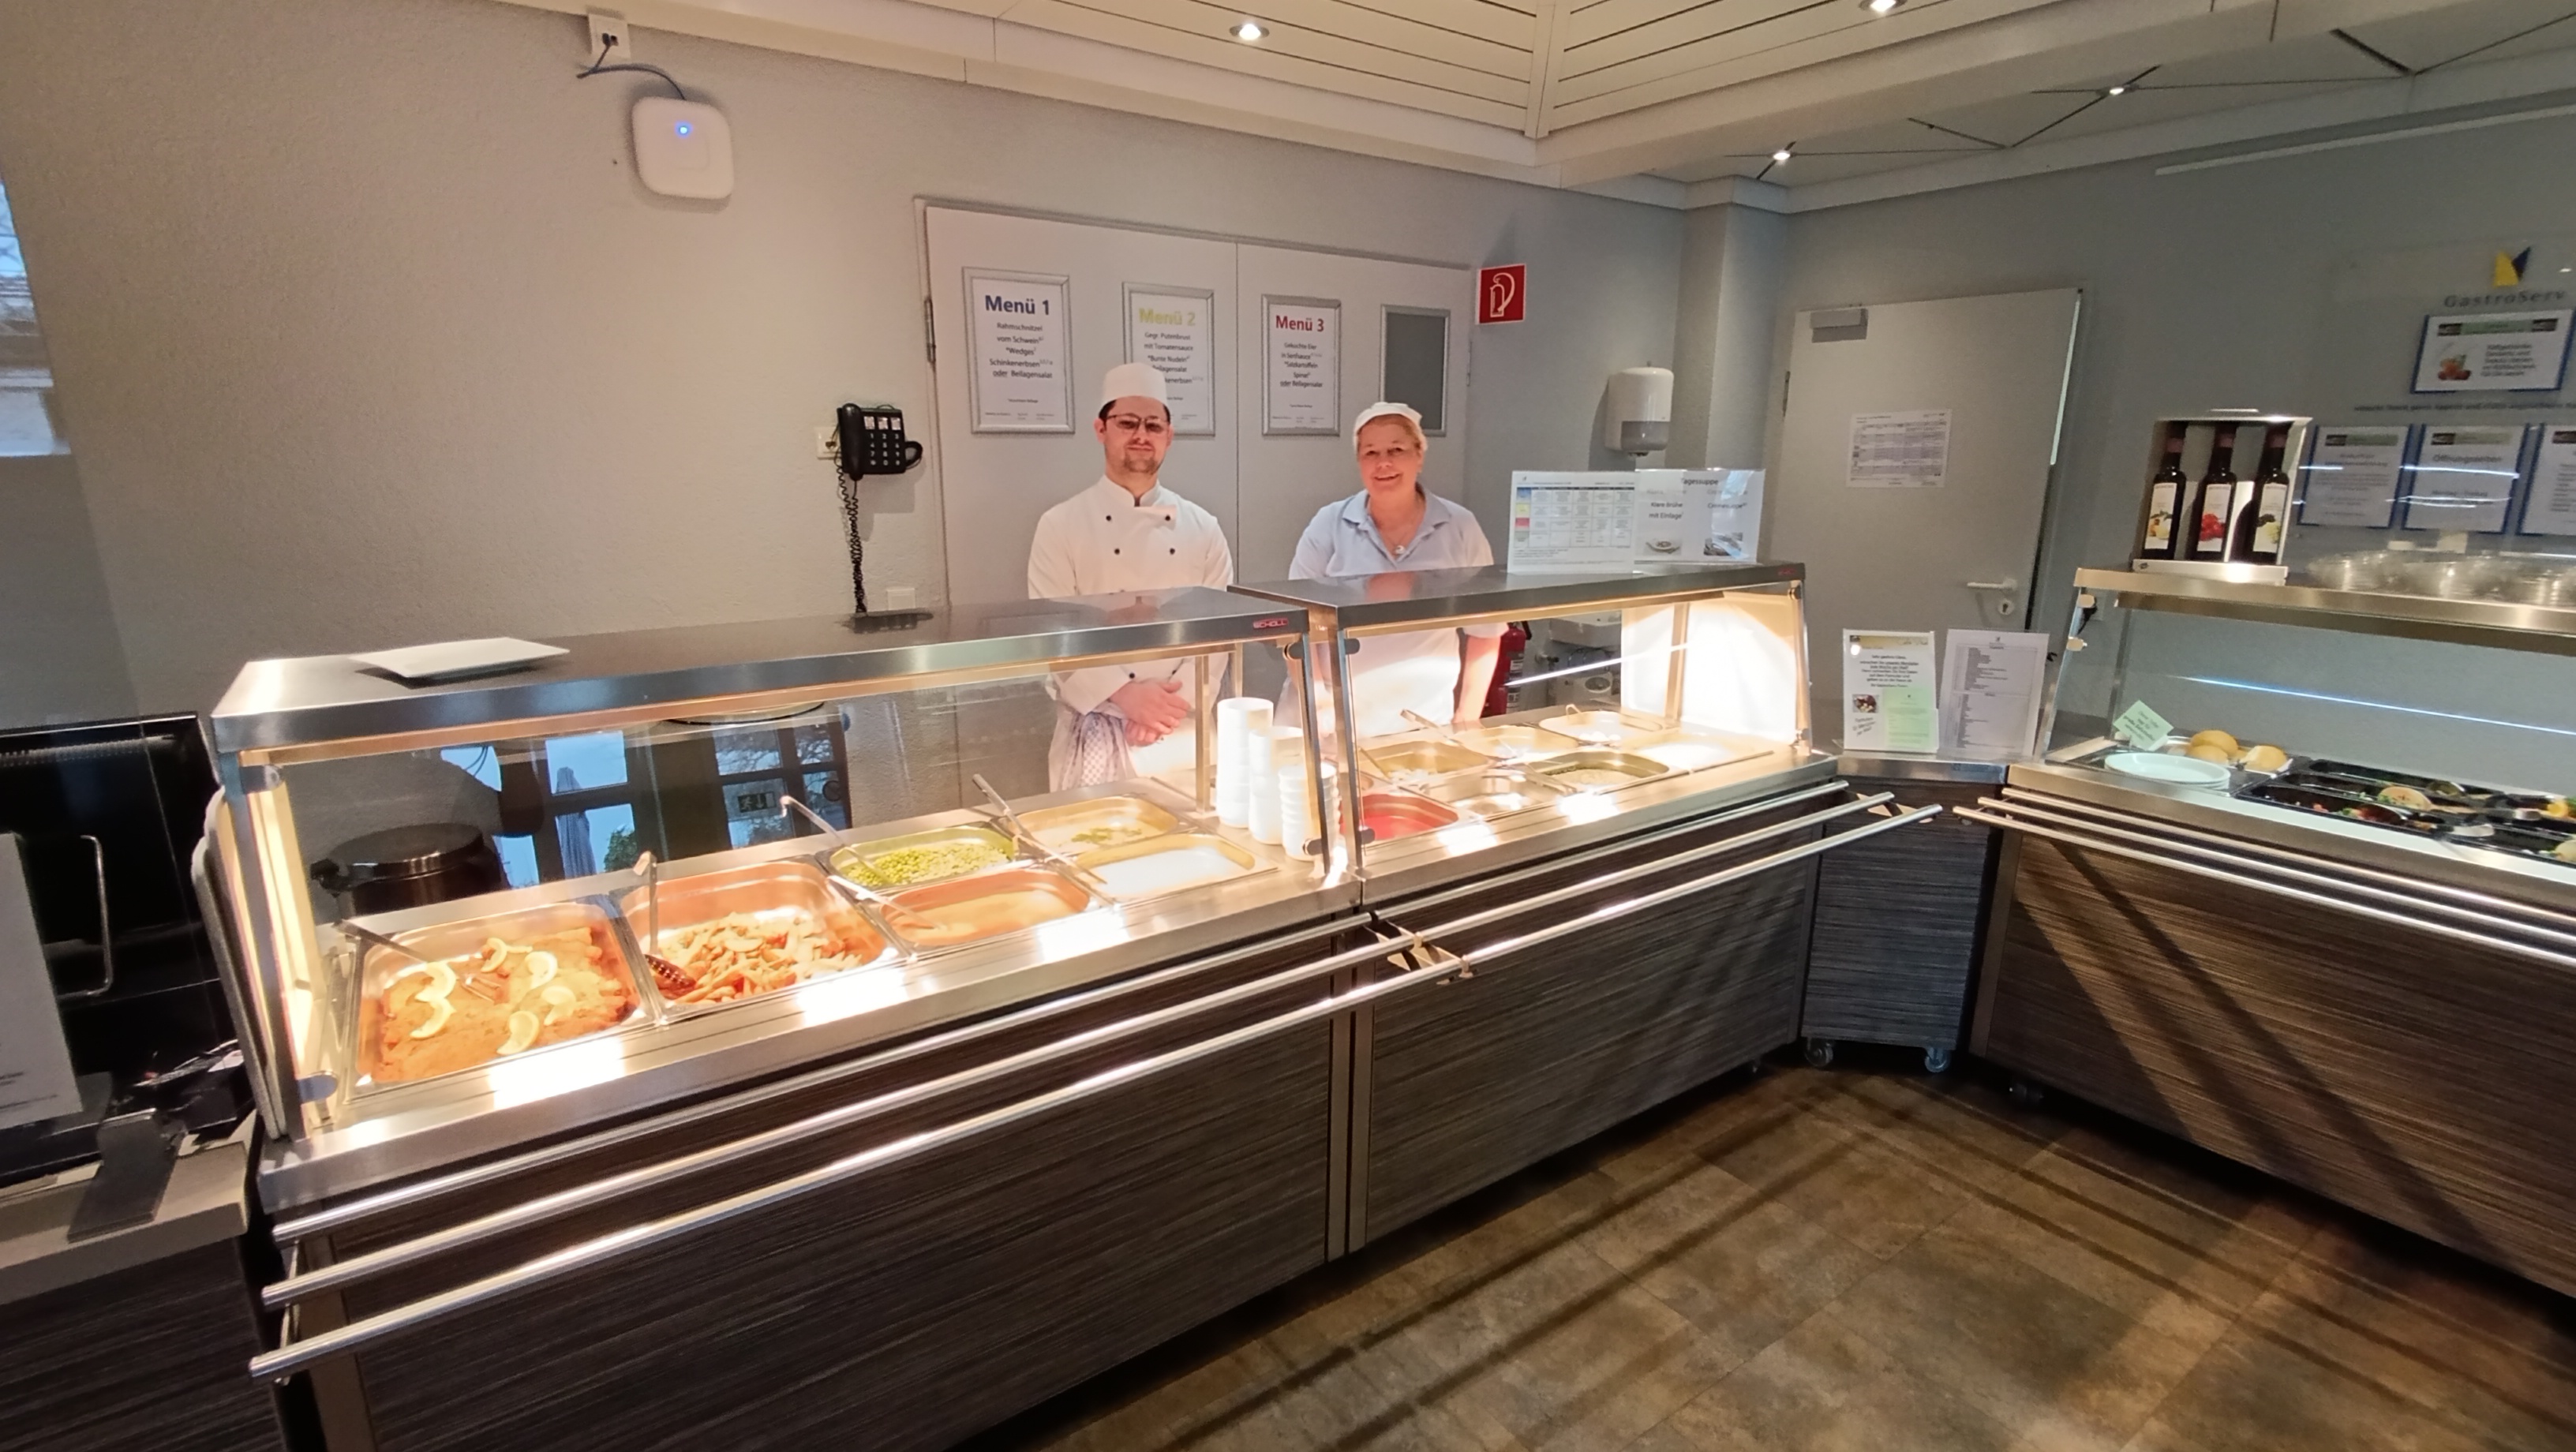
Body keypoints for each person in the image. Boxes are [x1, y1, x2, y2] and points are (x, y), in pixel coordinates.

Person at [1027, 361, 1234, 789]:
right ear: (1101, 429)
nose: (1142, 435)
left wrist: (1168, 707)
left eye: (1153, 426)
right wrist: (1126, 696)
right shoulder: (1059, 525)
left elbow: (1219, 636)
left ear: (1169, 436)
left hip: (1181, 732)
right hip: (1094, 723)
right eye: (1127, 423)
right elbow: (1054, 633)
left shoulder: (1204, 527)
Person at [1288, 402, 1503, 740]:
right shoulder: (1329, 524)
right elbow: (1293, 623)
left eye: (1396, 450)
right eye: (1371, 453)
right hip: (1333, 719)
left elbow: (1486, 630)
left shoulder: (1460, 526)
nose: (1383, 463)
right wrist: (1319, 702)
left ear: (1419, 456)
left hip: (1425, 721)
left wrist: (1466, 718)